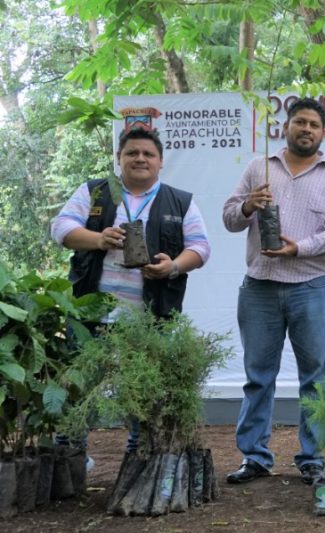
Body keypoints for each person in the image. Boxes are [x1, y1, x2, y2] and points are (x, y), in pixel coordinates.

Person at [51, 125, 211, 462]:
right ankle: (69, 459)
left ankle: (139, 458)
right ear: (118, 159)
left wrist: (174, 266)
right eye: (132, 153)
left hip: (148, 319)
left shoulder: (180, 201)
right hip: (90, 314)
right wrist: (97, 239)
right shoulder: (94, 191)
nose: (140, 158)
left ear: (160, 162)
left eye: (147, 154)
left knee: (144, 392)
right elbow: (61, 228)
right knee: (78, 390)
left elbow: (200, 247)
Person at [221, 98, 325, 485]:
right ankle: (255, 456)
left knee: (315, 376)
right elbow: (229, 218)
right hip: (259, 286)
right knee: (258, 375)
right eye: (300, 122)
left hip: (311, 286)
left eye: (314, 124)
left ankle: (311, 456)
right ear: (286, 127)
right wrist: (248, 205)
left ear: (324, 132)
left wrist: (301, 247)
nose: (307, 129)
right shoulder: (258, 167)